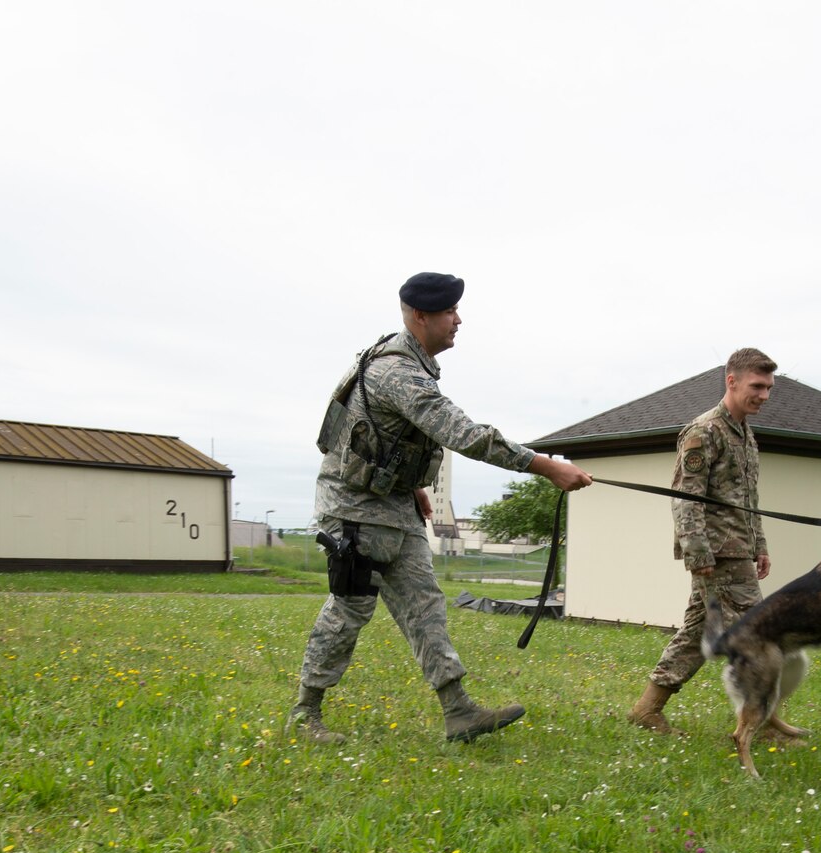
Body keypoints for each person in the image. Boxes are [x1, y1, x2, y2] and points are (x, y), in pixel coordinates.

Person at [293, 272, 593, 744]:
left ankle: (458, 711)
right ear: (420, 317)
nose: (458, 320)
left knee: (425, 606)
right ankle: (304, 714)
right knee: (348, 609)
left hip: (392, 506)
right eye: (450, 312)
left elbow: (382, 433)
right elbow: (462, 433)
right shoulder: (397, 371)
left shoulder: (412, 364)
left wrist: (411, 483)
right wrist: (544, 466)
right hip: (354, 510)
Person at [628, 348, 779, 735]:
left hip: (737, 551)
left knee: (698, 632)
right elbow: (685, 497)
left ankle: (647, 709)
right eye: (757, 386)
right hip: (718, 555)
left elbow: (748, 499)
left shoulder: (745, 435)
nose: (764, 395)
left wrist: (759, 545)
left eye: (768, 388)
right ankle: (762, 723)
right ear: (732, 381)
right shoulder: (704, 431)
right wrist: (698, 553)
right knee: (759, 634)